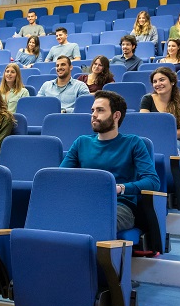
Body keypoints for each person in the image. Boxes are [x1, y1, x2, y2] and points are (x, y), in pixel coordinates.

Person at [61, 90, 159, 233]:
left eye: (100, 110)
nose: (94, 115)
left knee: (91, 223)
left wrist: (121, 188)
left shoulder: (133, 143)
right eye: (93, 110)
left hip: (118, 206)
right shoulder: (81, 142)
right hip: (84, 202)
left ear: (116, 115)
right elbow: (61, 176)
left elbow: (153, 181)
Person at [139, 67, 180, 156]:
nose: (158, 84)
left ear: (172, 82)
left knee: (172, 149)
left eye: (162, 80)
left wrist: (165, 135)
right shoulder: (147, 99)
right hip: (151, 139)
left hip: (175, 140)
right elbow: (144, 124)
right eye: (155, 81)